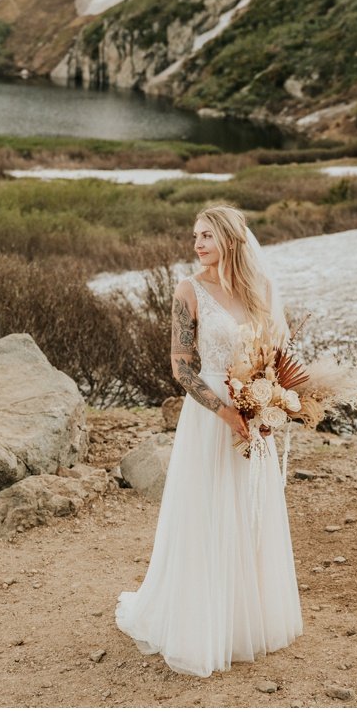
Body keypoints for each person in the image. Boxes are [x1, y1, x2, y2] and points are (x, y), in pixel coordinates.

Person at [116, 205, 303, 677]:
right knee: (207, 508)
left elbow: (276, 353)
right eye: (195, 235)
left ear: (232, 240)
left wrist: (270, 403)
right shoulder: (189, 291)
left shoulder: (262, 290)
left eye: (208, 236)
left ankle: (244, 620)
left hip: (253, 408)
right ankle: (201, 622)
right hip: (210, 415)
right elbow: (181, 367)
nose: (198, 244)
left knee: (248, 506)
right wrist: (224, 411)